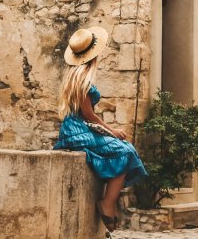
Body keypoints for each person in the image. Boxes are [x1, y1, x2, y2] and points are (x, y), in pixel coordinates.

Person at [54, 26, 148, 233]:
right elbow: (88, 115)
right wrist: (111, 130)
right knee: (125, 151)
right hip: (79, 130)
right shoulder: (83, 81)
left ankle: (109, 201)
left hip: (75, 129)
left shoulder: (74, 77)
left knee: (123, 150)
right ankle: (108, 202)